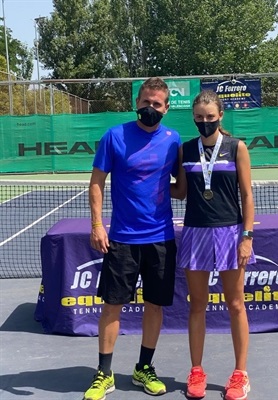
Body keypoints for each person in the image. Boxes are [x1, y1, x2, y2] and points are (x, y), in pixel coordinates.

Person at [83, 77, 182, 400]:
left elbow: (180, 188)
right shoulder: (114, 136)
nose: (150, 108)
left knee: (155, 306)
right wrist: (98, 225)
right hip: (121, 239)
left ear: (166, 108)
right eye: (145, 102)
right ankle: (104, 374)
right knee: (113, 306)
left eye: (157, 104)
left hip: (161, 238)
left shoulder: (173, 141)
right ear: (136, 102)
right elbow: (96, 183)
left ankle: (144, 368)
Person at [172, 90, 256, 400]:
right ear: (193, 118)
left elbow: (247, 196)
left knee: (235, 305)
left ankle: (240, 374)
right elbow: (180, 191)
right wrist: (142, 181)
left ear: (220, 116)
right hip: (195, 232)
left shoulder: (237, 148)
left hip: (230, 234)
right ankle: (196, 371)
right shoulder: (186, 150)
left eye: (210, 117)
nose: (204, 122)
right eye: (199, 117)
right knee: (197, 305)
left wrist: (247, 238)